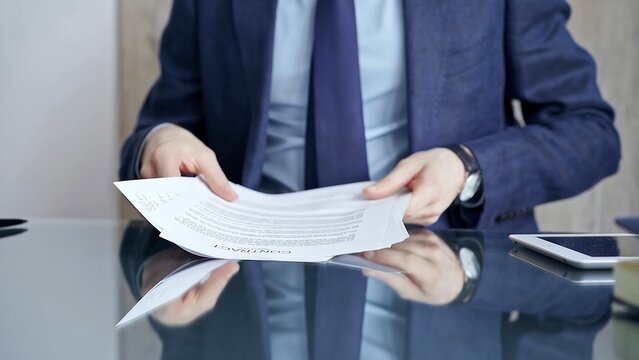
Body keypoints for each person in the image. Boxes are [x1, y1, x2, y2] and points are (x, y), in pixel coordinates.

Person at [120, 0, 621, 359]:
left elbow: (590, 133)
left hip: (446, 283)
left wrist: (467, 168)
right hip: (246, 283)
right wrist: (157, 141)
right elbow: (157, 133)